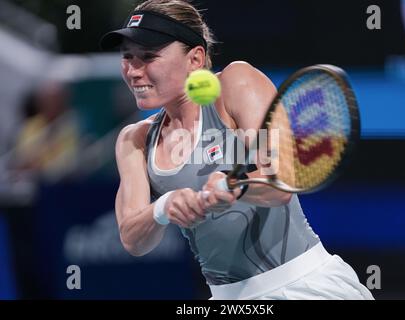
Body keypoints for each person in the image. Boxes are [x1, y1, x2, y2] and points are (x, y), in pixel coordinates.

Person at [102, 0, 374, 300]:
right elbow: (132, 238)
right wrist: (163, 208)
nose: (134, 71)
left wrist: (234, 187)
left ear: (195, 59)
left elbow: (281, 181)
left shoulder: (237, 82)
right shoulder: (134, 140)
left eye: (149, 56)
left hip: (306, 287)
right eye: (127, 57)